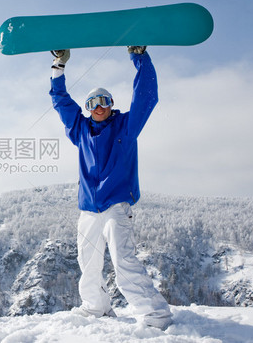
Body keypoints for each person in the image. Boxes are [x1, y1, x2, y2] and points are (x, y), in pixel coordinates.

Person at [48, 47, 173, 330]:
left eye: (104, 101)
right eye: (93, 102)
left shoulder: (126, 127)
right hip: (89, 210)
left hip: (117, 206)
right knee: (87, 262)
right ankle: (96, 308)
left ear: (111, 104)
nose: (99, 106)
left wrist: (140, 58)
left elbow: (146, 97)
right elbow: (61, 101)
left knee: (123, 260)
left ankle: (156, 316)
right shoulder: (80, 131)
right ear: (88, 108)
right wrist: (58, 67)